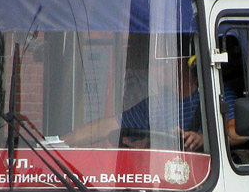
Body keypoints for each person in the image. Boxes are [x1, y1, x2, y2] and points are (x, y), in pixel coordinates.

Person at [66, 55, 204, 151]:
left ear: (181, 62)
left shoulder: (213, 95)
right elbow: (108, 126)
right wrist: (57, 144)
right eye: (152, 65)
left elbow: (226, 132)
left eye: (160, 64)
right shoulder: (155, 104)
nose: (153, 71)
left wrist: (202, 138)